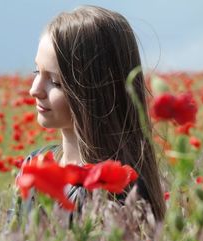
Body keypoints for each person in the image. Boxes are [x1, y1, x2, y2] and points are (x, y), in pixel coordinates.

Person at [12, 5, 165, 224]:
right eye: (37, 71)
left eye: (55, 82)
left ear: (94, 92)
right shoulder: (35, 166)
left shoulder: (119, 192)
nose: (34, 89)